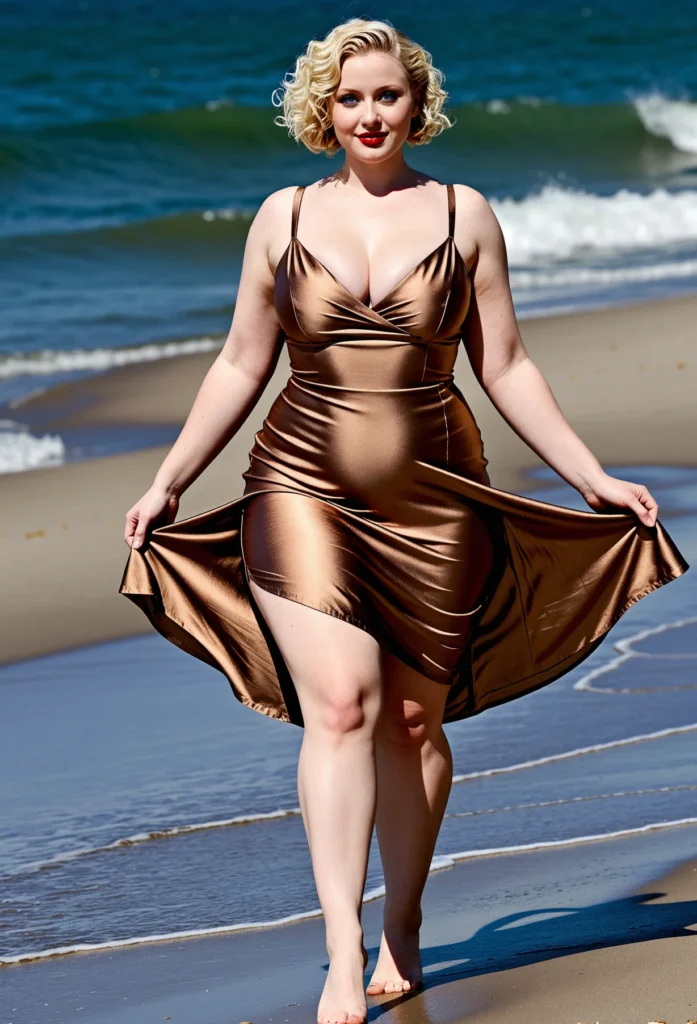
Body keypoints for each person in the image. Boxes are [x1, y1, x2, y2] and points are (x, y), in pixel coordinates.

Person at [120, 19, 687, 1024]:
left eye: (386, 96)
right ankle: (341, 949)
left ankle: (405, 923)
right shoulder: (281, 217)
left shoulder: (465, 215)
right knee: (339, 704)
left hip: (436, 499)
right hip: (299, 486)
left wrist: (592, 474)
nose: (369, 114)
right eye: (350, 99)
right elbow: (241, 363)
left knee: (414, 720)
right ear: (321, 112)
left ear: (416, 104)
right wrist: (170, 479)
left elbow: (504, 362)